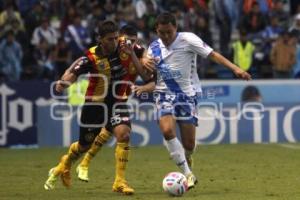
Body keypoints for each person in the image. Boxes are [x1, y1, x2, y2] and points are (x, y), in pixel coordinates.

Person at [145, 12, 251, 190]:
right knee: (167, 130)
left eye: (169, 32)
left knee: (189, 144)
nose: (165, 37)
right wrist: (143, 62)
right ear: (157, 30)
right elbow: (150, 74)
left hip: (187, 95)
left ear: (176, 28)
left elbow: (213, 55)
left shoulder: (189, 39)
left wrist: (236, 69)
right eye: (161, 33)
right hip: (163, 95)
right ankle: (188, 174)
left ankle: (188, 156)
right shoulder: (153, 48)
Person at [43, 21, 151, 195]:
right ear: (100, 39)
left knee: (124, 134)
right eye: (110, 39)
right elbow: (74, 71)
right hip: (95, 105)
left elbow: (141, 50)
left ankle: (119, 182)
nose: (115, 42)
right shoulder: (92, 57)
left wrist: (144, 57)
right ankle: (65, 164)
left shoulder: (125, 46)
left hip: (117, 102)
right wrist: (64, 82)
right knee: (84, 145)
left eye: (116, 38)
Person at [75, 24, 155, 182]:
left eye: (133, 41)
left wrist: (145, 56)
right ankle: (82, 163)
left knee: (113, 133)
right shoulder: (115, 54)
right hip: (103, 98)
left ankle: (88, 165)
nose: (129, 44)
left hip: (121, 98)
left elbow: (148, 73)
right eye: (127, 40)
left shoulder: (136, 54)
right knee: (104, 134)